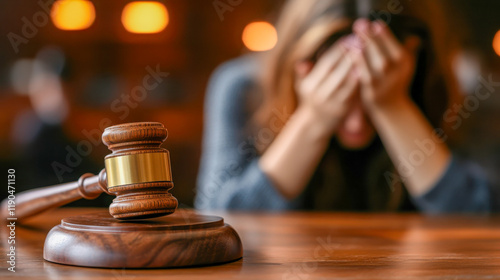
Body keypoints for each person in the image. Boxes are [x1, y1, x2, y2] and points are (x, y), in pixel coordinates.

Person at [195, 0, 498, 212]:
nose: (355, 125)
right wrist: (313, 120)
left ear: (415, 62)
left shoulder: (465, 90)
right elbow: (219, 219)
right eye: (339, 95)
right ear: (297, 68)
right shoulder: (241, 86)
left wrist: (393, 107)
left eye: (368, 102)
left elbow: (482, 215)